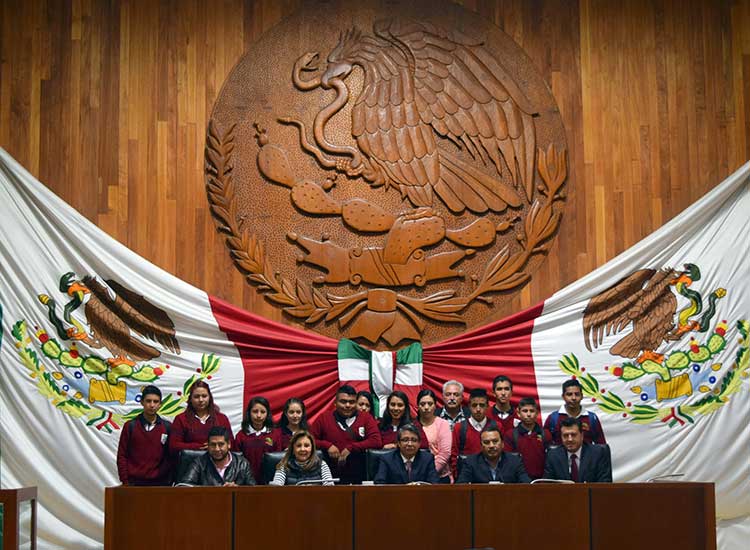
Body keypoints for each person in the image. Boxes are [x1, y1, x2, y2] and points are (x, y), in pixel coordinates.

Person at [310, 385, 382, 484]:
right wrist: (327, 445)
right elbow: (309, 440)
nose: (348, 405)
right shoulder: (324, 418)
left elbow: (376, 441)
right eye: (343, 401)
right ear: (335, 403)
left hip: (360, 475)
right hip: (330, 477)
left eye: (352, 402)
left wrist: (352, 447)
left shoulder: (366, 418)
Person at [117, 385, 172, 486]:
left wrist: (168, 480)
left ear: (160, 404)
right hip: (134, 483)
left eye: (156, 401)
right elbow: (122, 455)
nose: (152, 405)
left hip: (160, 483)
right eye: (148, 401)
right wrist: (125, 481)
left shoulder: (167, 427)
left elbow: (171, 456)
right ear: (142, 402)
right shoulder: (130, 426)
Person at [169, 380, 234, 457]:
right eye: (196, 396)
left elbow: (232, 444)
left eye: (204, 396)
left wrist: (215, 446)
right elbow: (173, 446)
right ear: (190, 399)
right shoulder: (181, 419)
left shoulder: (221, 419)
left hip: (217, 465)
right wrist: (198, 447)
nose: (201, 400)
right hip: (190, 465)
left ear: (210, 397)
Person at [179, 426, 255, 486]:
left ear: (229, 444)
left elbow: (254, 491)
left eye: (221, 444)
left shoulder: (242, 464)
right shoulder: (199, 463)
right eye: (213, 445)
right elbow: (185, 486)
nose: (217, 449)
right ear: (208, 445)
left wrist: (237, 490)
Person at [543, 417, 612, 483]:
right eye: (565, 435)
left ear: (582, 436)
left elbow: (604, 484)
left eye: (573, 435)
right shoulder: (553, 456)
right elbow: (548, 486)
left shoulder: (598, 453)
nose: (570, 439)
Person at [450, 388, 498, 480]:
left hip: (491, 475)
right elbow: (454, 455)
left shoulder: (496, 426)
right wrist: (457, 475)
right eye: (474, 405)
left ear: (488, 406)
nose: (478, 409)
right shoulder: (459, 427)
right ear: (469, 406)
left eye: (482, 405)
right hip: (466, 476)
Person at [456, 425, 531, 484]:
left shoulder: (515, 461)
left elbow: (526, 485)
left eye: (495, 441)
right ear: (481, 446)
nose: (491, 446)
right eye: (486, 442)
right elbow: (461, 488)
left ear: (502, 444)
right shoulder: (471, 462)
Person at [544, 379, 607, 445]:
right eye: (569, 394)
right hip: (560, 455)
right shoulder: (553, 419)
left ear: (582, 396)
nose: (573, 398)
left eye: (577, 394)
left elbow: (601, 445)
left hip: (587, 455)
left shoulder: (591, 418)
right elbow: (546, 445)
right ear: (563, 396)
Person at [234, 396, 282, 483]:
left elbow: (278, 461)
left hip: (269, 481)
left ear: (268, 414)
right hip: (246, 482)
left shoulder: (275, 434)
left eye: (263, 412)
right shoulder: (241, 436)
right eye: (255, 411)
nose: (259, 415)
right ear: (249, 413)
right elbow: (236, 462)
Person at [374, 425, 440, 484]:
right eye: (405, 440)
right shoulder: (387, 459)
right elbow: (379, 483)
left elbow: (434, 483)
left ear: (419, 443)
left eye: (414, 440)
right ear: (398, 443)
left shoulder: (427, 459)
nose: (410, 444)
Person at [505, 397, 551, 480]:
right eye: (525, 411)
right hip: (518, 482)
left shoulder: (546, 434)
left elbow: (550, 460)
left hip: (542, 481)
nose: (529, 414)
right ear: (518, 413)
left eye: (532, 411)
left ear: (537, 413)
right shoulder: (511, 435)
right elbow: (509, 462)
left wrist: (544, 479)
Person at [270, 430, 334, 486]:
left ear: (312, 448)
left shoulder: (322, 465)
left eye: (306, 446)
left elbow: (330, 489)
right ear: (293, 449)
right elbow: (276, 488)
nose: (302, 449)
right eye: (298, 446)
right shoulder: (284, 465)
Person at [416, 389, 452, 483]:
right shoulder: (412, 425)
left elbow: (445, 453)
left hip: (440, 476)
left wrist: (429, 471)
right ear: (418, 406)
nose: (426, 407)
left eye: (430, 404)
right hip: (415, 474)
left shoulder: (442, 424)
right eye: (423, 404)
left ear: (435, 406)